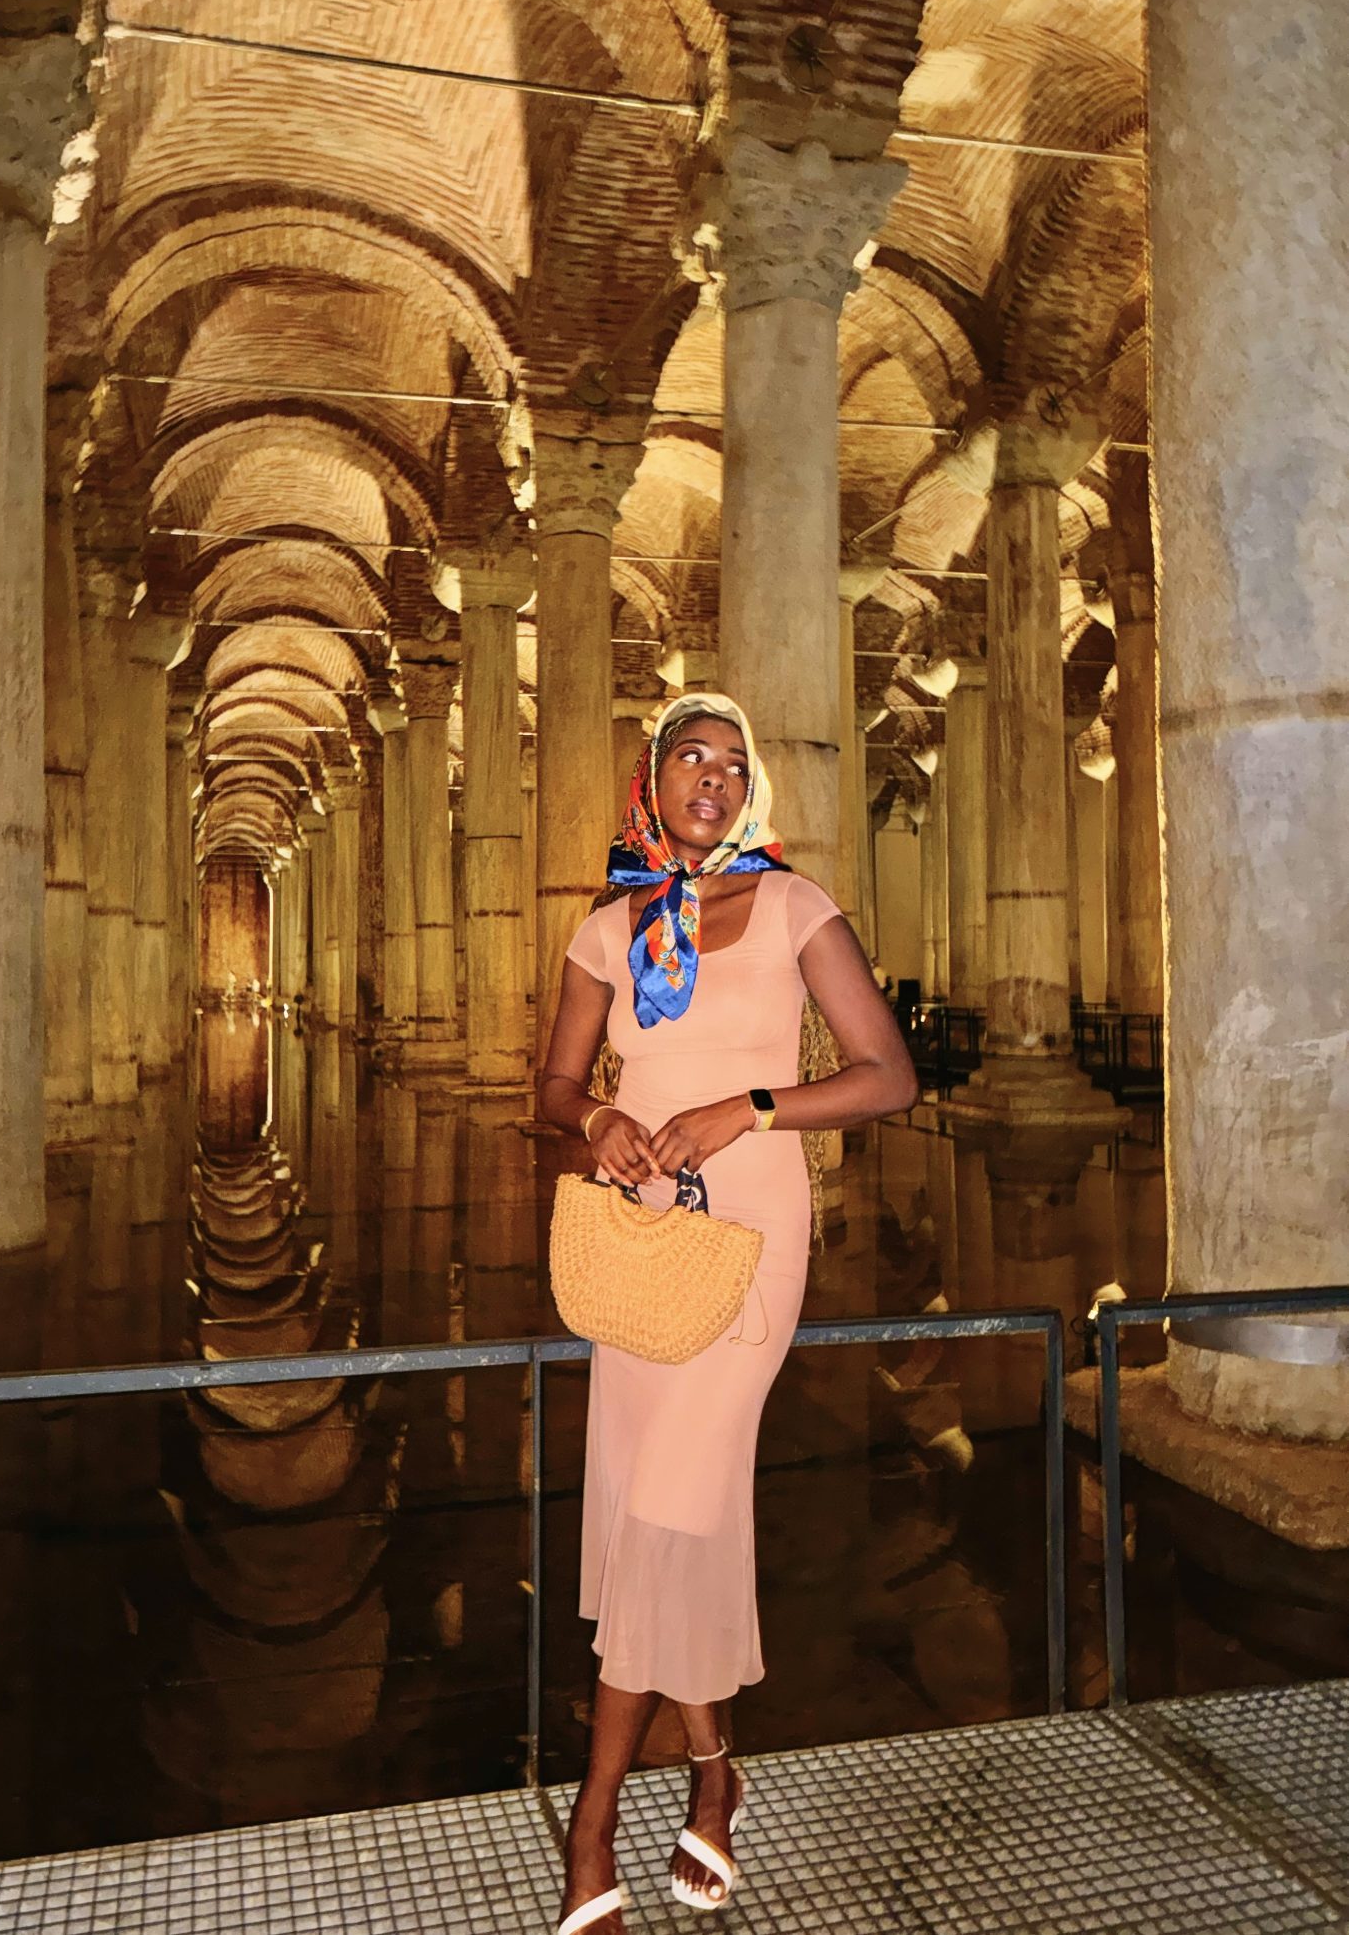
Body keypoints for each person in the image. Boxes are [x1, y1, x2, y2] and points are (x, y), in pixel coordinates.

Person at [538, 693, 918, 1934]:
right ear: (651, 781)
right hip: (642, 1235)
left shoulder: (795, 908)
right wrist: (596, 1120)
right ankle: (713, 1770)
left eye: (730, 761)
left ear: (749, 789)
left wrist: (747, 1104)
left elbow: (886, 1076)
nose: (710, 775)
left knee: (667, 1505)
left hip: (750, 1232)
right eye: (687, 756)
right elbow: (550, 1082)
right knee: (671, 1517)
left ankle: (592, 1823)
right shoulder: (607, 927)